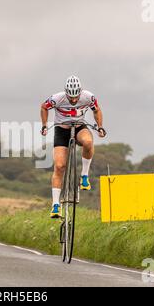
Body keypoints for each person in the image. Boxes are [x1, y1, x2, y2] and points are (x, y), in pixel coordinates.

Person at [41, 75, 107, 218]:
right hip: (61, 130)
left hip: (79, 127)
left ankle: (84, 176)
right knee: (59, 166)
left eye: (76, 97)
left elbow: (97, 110)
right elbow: (44, 107)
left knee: (88, 142)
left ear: (80, 92)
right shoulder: (57, 98)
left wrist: (100, 127)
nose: (74, 100)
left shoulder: (88, 97)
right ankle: (55, 205)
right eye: (71, 97)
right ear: (66, 92)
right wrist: (44, 125)